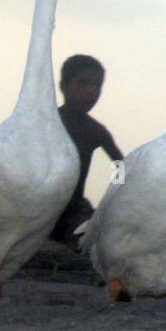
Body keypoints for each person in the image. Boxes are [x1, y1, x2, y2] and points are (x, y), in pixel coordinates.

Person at [49, 55, 123, 250]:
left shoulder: (95, 131)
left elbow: (121, 166)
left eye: (96, 86)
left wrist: (111, 201)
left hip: (73, 208)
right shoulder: (46, 122)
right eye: (83, 83)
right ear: (64, 86)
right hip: (36, 202)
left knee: (93, 239)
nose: (91, 91)